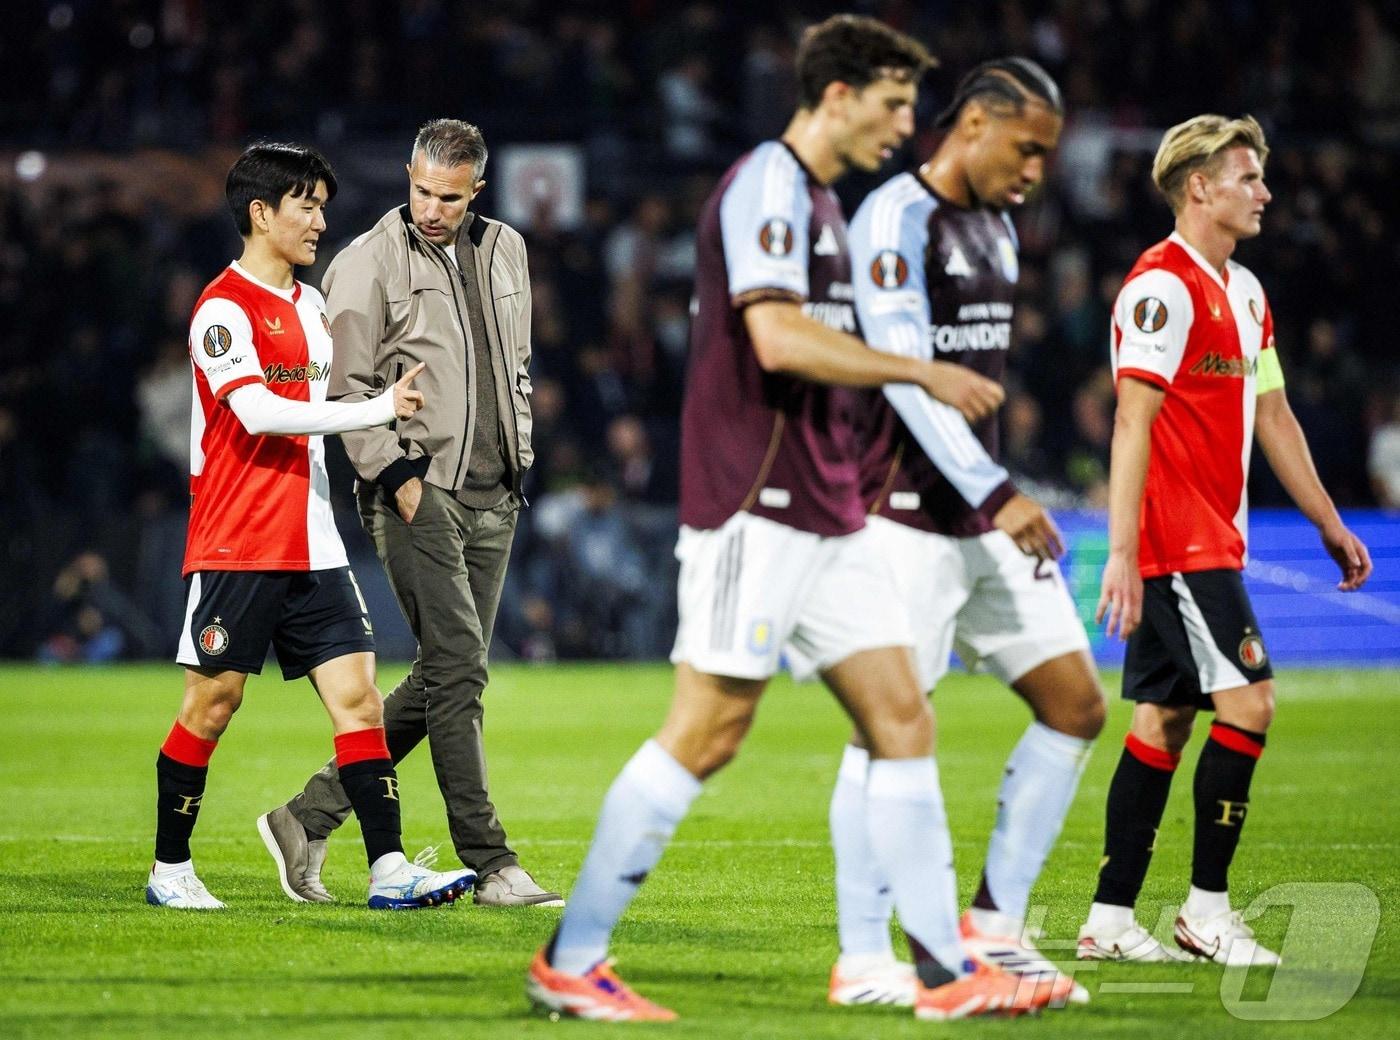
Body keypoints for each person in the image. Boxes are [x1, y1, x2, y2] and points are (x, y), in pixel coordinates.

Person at [526, 16, 1069, 1022]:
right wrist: (915, 367)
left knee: (903, 717)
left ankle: (947, 972)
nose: (907, 128)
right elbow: (775, 338)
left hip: (828, 509)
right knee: (707, 729)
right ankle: (573, 954)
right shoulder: (769, 186)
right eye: (893, 104)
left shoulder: (819, 200)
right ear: (834, 95)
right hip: (755, 506)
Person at [816, 57, 1103, 1007]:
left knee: (1075, 705)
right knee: (887, 731)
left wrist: (992, 490)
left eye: (1046, 155)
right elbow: (905, 374)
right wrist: (998, 492)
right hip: (904, 520)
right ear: (973, 123)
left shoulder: (1001, 223)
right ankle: (864, 960)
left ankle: (994, 927)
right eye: (1026, 149)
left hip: (981, 514)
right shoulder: (893, 217)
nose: (1035, 171)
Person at [1078, 115, 1373, 965]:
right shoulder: (1159, 288)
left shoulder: (1245, 291)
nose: (1266, 193)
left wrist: (1326, 518)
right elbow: (1130, 423)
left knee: (1165, 722)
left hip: (1218, 536)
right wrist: (1126, 553)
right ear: (1199, 187)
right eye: (1248, 177)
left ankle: (1108, 920)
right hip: (1179, 543)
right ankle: (1207, 910)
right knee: (1250, 704)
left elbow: (1271, 413)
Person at [149, 142, 473, 911]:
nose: (321, 221)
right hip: (238, 540)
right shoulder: (222, 311)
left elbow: (344, 389)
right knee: (212, 705)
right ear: (261, 214)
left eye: (323, 206)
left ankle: (389, 869)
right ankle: (170, 869)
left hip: (315, 543)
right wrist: (372, 409)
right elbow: (258, 412)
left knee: (359, 702)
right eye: (307, 205)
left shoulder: (312, 305)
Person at [256, 119, 560, 909]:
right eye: (422, 190)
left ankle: (307, 815)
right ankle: (491, 862)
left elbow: (516, 364)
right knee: (461, 674)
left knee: (441, 677)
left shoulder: (508, 251)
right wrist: (395, 474)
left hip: (498, 493)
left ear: (477, 192)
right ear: (408, 175)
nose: (432, 208)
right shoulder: (364, 262)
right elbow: (345, 387)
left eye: (450, 197)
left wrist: (521, 448)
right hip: (418, 490)